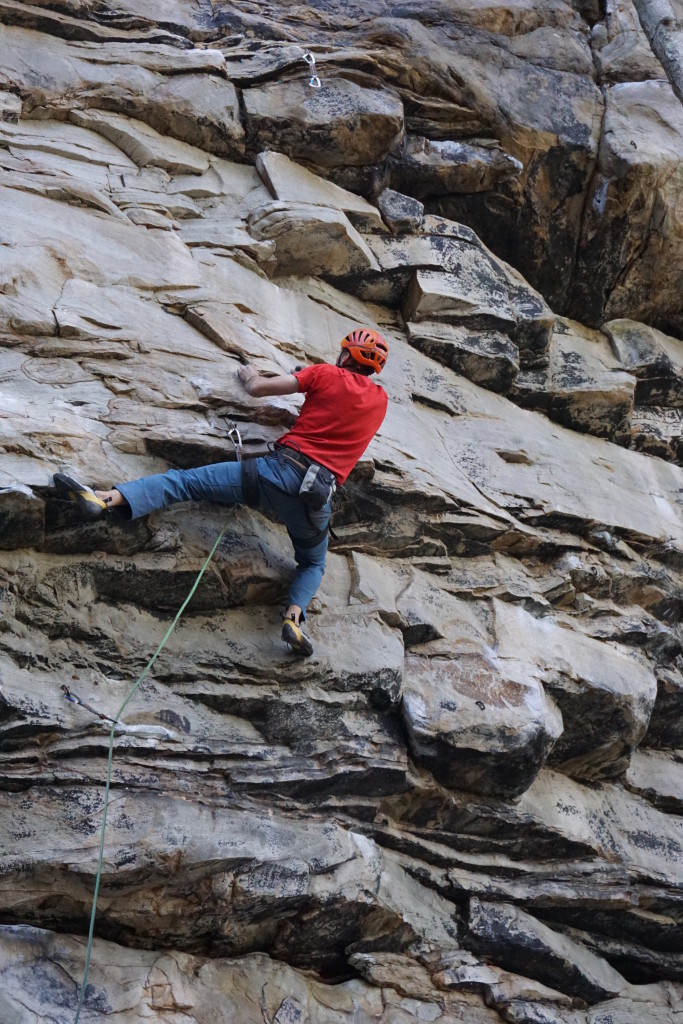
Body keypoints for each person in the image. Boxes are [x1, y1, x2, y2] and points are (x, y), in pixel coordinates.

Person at [53, 328, 389, 657]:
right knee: (314, 563)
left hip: (273, 475)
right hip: (315, 497)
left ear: (345, 354)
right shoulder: (380, 401)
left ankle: (103, 498)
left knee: (183, 482)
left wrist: (250, 373)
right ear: (371, 368)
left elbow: (258, 388)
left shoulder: (325, 374)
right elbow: (342, 411)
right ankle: (294, 619)